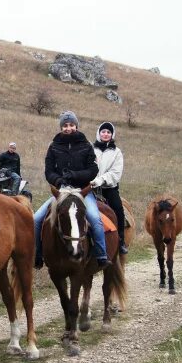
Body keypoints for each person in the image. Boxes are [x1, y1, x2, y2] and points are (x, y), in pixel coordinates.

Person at [33, 111, 110, 269]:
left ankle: (101, 255)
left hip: (82, 191)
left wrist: (75, 175)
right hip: (62, 192)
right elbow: (48, 171)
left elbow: (93, 170)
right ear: (61, 127)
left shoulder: (86, 144)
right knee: (36, 219)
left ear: (76, 126)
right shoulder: (54, 146)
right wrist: (58, 180)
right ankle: (38, 255)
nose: (68, 128)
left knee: (95, 219)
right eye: (65, 125)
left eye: (71, 125)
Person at [90, 121, 128, 254]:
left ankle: (121, 240)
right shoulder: (91, 148)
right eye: (103, 132)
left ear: (112, 135)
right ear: (99, 133)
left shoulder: (117, 152)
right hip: (90, 187)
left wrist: (100, 180)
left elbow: (115, 173)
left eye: (108, 132)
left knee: (118, 208)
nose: (105, 134)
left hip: (108, 188)